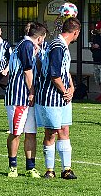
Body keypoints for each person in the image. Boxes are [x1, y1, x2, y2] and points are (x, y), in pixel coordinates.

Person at [35, 17, 81, 179]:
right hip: (50, 97)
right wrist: (65, 91)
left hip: (62, 97)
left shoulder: (63, 46)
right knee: (51, 132)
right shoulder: (57, 46)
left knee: (65, 130)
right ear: (76, 32)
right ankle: (49, 170)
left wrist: (72, 86)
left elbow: (64, 70)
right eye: (78, 34)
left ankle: (66, 169)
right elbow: (54, 75)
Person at [5, 22, 47, 178]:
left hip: (28, 98)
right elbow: (27, 71)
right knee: (16, 132)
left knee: (31, 132)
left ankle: (30, 167)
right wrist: (32, 91)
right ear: (40, 37)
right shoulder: (26, 45)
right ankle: (13, 166)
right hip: (18, 96)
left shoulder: (29, 46)